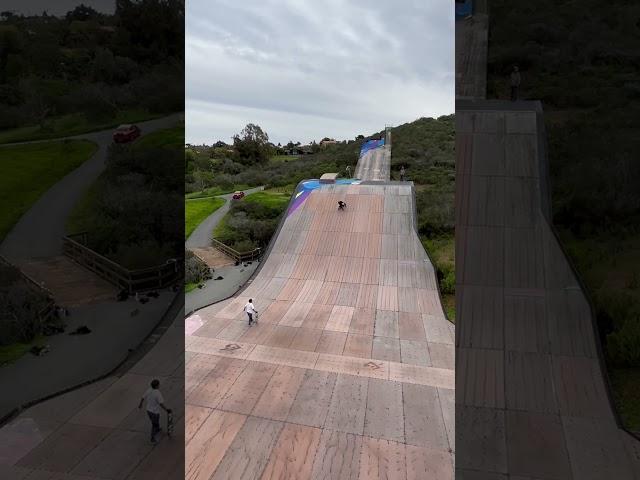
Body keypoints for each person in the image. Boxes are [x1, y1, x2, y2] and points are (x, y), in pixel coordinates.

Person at [138, 379, 171, 444]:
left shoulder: (149, 390)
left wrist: (140, 405)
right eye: (158, 384)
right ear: (156, 386)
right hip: (154, 412)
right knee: (154, 424)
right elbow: (161, 403)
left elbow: (142, 397)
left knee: (155, 421)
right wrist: (166, 410)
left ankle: (158, 429)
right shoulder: (157, 393)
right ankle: (152, 438)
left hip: (148, 411)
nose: (159, 385)